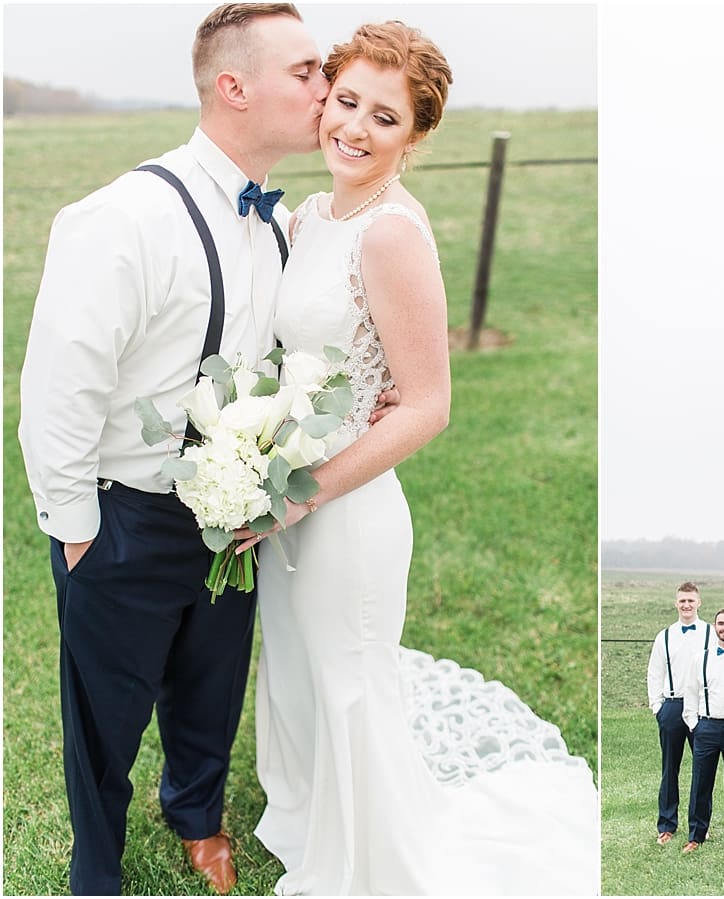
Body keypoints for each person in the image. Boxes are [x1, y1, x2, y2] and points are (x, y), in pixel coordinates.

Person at [235, 21, 598, 894]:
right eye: (347, 101)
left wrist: (300, 493)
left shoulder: (391, 232)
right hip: (288, 488)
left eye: (384, 118)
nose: (354, 128)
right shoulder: (311, 215)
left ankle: (372, 862)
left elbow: (429, 405)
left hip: (343, 509)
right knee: (297, 669)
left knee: (347, 677)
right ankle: (309, 819)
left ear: (418, 136)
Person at [17, 5, 330, 893]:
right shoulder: (120, 219)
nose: (324, 86)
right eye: (305, 71)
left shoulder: (277, 223)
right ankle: (96, 864)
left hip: (234, 512)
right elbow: (58, 390)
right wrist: (79, 533)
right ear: (235, 86)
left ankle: (197, 812)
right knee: (104, 709)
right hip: (123, 517)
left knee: (211, 680)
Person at [646, 582, 712, 844]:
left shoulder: (710, 633)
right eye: (682, 600)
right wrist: (657, 707)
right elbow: (655, 672)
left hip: (702, 710)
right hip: (673, 706)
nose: (686, 605)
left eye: (691, 601)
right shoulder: (664, 636)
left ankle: (700, 826)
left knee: (702, 770)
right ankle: (667, 824)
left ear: (699, 603)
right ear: (676, 603)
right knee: (669, 768)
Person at [680, 608, 724, 854]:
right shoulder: (701, 658)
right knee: (700, 782)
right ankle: (696, 834)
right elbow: (691, 692)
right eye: (721, 623)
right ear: (715, 627)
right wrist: (694, 724)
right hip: (706, 726)